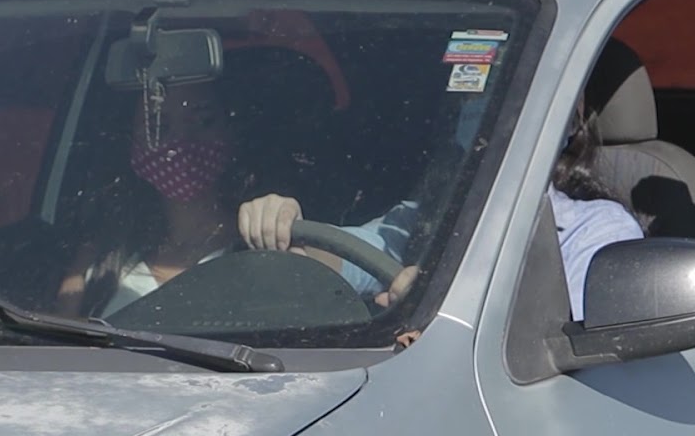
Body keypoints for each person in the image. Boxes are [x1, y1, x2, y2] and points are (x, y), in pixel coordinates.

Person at [240, 98, 642, 321]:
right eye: (474, 104)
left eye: (516, 101)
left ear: (568, 121)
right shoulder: (422, 216)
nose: (487, 118)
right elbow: (349, 256)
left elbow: (573, 349)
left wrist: (441, 303)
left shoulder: (596, 228)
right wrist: (284, 229)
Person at [56, 81, 249, 320]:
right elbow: (64, 347)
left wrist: (285, 230)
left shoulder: (260, 246)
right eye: (159, 128)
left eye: (204, 121)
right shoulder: (101, 258)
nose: (182, 142)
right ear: (133, 147)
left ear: (230, 131)